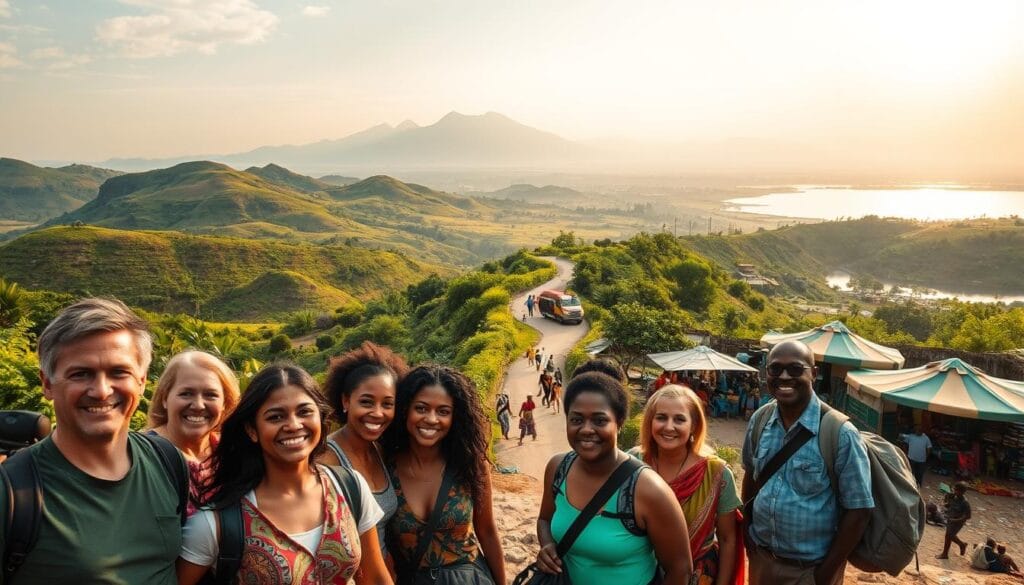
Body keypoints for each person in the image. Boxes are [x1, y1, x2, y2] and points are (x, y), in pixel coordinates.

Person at [0, 298, 183, 583]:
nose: (100, 391)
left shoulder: (166, 460)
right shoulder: (12, 492)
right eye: (80, 374)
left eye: (118, 372)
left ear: (142, 381)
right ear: (47, 384)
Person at [177, 363, 391, 585]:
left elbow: (376, 577)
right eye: (276, 417)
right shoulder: (217, 523)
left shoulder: (349, 487)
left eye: (304, 412)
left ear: (320, 417)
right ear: (252, 430)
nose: (293, 425)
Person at [534, 372, 693, 585]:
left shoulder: (648, 489)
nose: (587, 429)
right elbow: (544, 519)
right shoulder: (558, 468)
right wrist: (547, 545)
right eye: (576, 419)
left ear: (619, 423)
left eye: (600, 420)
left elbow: (680, 570)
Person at [741, 340, 874, 585]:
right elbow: (751, 474)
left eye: (794, 369)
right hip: (762, 562)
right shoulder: (761, 420)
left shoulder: (839, 433)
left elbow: (860, 510)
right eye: (775, 369)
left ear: (813, 373)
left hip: (810, 571)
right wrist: (748, 532)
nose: (783, 376)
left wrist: (825, 573)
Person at [380, 365, 506, 585]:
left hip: (469, 578)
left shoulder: (470, 465)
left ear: (455, 417)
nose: (431, 419)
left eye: (443, 411)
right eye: (421, 408)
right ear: (405, 410)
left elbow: (486, 531)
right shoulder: (384, 468)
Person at [630, 385, 743, 585]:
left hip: (697, 577)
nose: (669, 426)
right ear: (650, 421)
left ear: (694, 426)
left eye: (679, 419)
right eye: (661, 417)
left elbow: (727, 539)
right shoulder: (631, 463)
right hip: (637, 574)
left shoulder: (717, 474)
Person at [321, 341, 410, 570]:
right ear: (345, 401)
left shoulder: (380, 450)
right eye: (366, 402)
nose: (377, 413)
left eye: (387, 404)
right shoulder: (325, 460)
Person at [147, 350, 241, 516]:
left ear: (225, 403)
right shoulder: (144, 457)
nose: (198, 405)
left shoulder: (232, 454)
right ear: (164, 398)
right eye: (186, 394)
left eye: (210, 395)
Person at [938, 481, 971, 559]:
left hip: (958, 522)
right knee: (949, 536)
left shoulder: (965, 503)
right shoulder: (954, 497)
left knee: (949, 536)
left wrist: (956, 520)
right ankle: (961, 545)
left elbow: (968, 516)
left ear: (962, 492)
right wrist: (946, 499)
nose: (955, 491)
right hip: (951, 518)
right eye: (954, 489)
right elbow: (948, 505)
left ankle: (946, 553)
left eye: (957, 490)